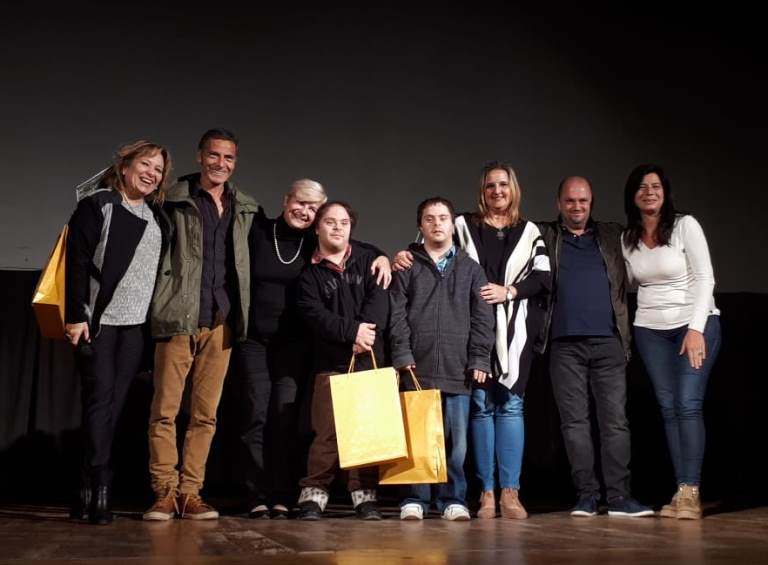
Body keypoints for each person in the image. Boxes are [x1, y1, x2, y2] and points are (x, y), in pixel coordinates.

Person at [394, 161, 550, 519]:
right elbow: (427, 245)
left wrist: (510, 291)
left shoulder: (530, 232)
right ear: (482, 191)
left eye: (503, 184)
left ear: (514, 189)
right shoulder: (463, 224)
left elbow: (544, 278)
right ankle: (485, 493)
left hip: (512, 329)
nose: (497, 191)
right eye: (490, 185)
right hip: (461, 334)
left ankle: (509, 492)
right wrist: (401, 255)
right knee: (478, 408)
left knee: (510, 406)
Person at [236, 180, 391, 519]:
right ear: (286, 200)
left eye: (312, 207)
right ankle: (260, 494)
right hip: (262, 342)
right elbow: (314, 311)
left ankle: (288, 494)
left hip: (306, 347)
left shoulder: (340, 249)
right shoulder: (268, 238)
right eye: (300, 203)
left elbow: (359, 254)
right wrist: (352, 331)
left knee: (289, 418)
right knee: (260, 417)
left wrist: (384, 256)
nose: (305, 211)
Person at [143, 129, 259, 521]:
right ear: (199, 156)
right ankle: (164, 491)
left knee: (205, 416)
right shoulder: (172, 199)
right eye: (214, 155)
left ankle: (191, 493)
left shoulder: (245, 207)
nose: (220, 164)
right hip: (179, 317)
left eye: (228, 158)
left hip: (221, 322)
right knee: (165, 411)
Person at [65, 140, 172, 524]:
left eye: (158, 169)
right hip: (98, 322)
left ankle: (86, 486)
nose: (152, 174)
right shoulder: (98, 205)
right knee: (99, 401)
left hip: (135, 327)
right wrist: (76, 315)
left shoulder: (158, 216)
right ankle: (100, 485)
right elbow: (76, 262)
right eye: (145, 164)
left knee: (114, 406)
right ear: (124, 166)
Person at [537, 176, 653, 517]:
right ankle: (587, 495)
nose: (577, 207)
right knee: (574, 424)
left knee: (615, 422)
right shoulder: (544, 235)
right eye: (570, 201)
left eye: (583, 201)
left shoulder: (612, 234)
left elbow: (653, 228)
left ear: (591, 203)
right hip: (564, 345)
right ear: (559, 204)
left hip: (609, 343)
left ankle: (619, 497)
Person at [622, 164, 721, 520]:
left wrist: (696, 328)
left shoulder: (685, 225)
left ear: (665, 192)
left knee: (687, 403)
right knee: (668, 408)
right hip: (650, 329)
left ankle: (691, 491)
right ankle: (681, 490)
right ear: (632, 195)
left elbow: (706, 278)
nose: (649, 192)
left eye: (655, 186)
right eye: (642, 187)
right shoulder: (627, 238)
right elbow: (630, 282)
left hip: (693, 324)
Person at [390, 197, 494, 521]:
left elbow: (483, 318)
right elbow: (396, 314)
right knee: (418, 438)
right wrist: (402, 352)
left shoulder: (471, 269)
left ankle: (453, 498)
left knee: (456, 444)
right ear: (420, 226)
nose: (437, 224)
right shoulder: (407, 267)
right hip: (416, 367)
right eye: (429, 218)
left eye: (443, 218)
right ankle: (415, 498)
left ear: (453, 225)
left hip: (457, 368)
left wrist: (479, 358)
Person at [294, 201, 389, 521]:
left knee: (366, 432)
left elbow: (379, 299)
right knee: (327, 433)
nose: (338, 228)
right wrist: (352, 332)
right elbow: (315, 316)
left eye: (344, 222)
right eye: (330, 222)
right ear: (317, 227)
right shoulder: (309, 274)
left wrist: (366, 333)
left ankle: (364, 495)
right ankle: (314, 493)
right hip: (330, 363)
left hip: (368, 359)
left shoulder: (369, 260)